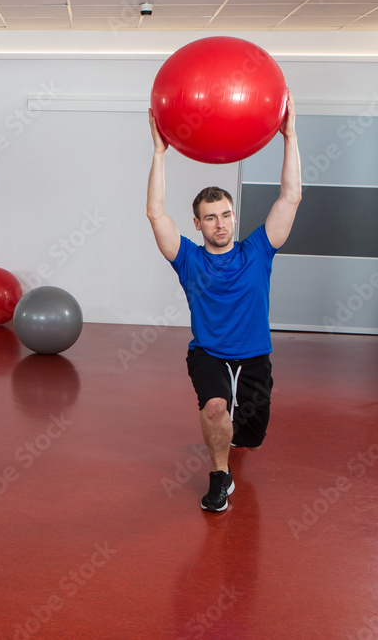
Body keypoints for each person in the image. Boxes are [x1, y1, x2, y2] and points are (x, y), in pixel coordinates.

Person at [146, 90, 301, 512]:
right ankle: (220, 477)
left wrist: (289, 136)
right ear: (197, 223)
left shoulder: (258, 251)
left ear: (235, 216)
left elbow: (290, 198)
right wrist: (160, 152)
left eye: (226, 214)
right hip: (208, 354)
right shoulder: (189, 260)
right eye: (210, 217)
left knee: (250, 435)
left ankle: (235, 443)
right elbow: (157, 215)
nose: (220, 223)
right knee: (215, 408)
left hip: (254, 357)